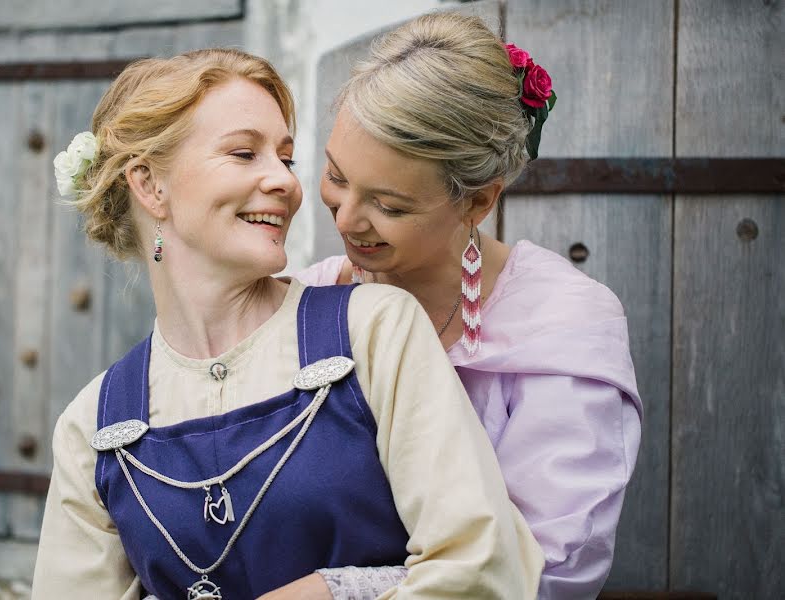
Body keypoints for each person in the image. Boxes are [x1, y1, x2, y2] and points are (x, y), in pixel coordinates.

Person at [31, 48, 544, 599]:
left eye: (286, 158)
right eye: (244, 153)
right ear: (151, 186)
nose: (285, 182)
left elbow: (480, 567)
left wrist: (336, 590)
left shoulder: (374, 331)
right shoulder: (93, 429)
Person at [296, 12, 642, 600]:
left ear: (478, 202)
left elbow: (546, 570)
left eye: (389, 204)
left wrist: (338, 591)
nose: (347, 218)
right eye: (335, 176)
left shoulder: (562, 325)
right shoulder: (304, 297)